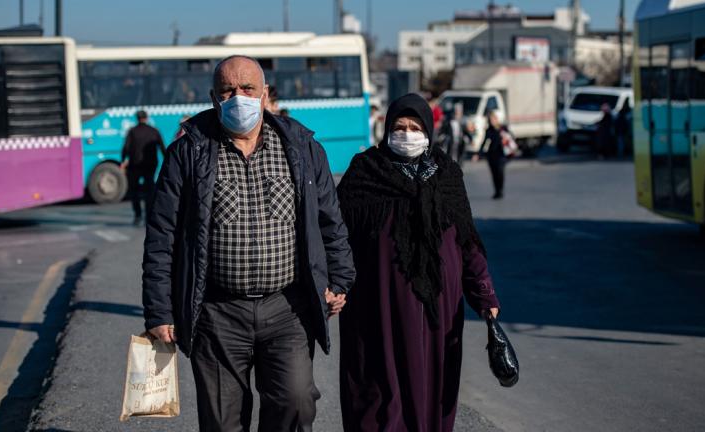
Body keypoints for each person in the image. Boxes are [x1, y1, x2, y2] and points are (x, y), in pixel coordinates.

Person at [141, 55, 356, 432]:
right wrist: (160, 311)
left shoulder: (303, 149)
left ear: (265, 94)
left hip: (287, 309)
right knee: (222, 422)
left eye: (247, 89)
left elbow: (329, 220)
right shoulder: (187, 153)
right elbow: (162, 237)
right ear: (213, 97)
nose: (238, 97)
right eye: (228, 90)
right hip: (216, 313)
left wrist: (339, 280)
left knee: (296, 402)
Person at [337, 93, 500, 432]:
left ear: (428, 129)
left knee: (431, 394)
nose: (407, 134)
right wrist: (333, 286)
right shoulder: (364, 173)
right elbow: (337, 241)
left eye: (414, 127)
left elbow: (467, 242)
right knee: (380, 400)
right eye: (399, 127)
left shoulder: (446, 175)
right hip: (378, 312)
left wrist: (484, 295)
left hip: (436, 313)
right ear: (386, 129)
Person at [120, 110, 165, 225]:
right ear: (147, 118)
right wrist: (167, 161)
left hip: (135, 165)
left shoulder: (132, 131)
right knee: (149, 190)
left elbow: (126, 148)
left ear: (137, 118)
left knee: (134, 191)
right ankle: (148, 216)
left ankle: (138, 215)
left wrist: (123, 160)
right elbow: (162, 147)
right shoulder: (154, 131)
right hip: (150, 165)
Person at [479, 110, 510, 199]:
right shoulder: (489, 130)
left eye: (493, 119)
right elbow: (484, 142)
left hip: (501, 155)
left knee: (500, 172)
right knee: (494, 174)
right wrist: (479, 153)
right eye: (490, 120)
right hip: (491, 155)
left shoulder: (503, 128)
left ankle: (500, 190)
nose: (492, 121)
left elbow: (510, 137)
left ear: (496, 119)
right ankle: (496, 191)